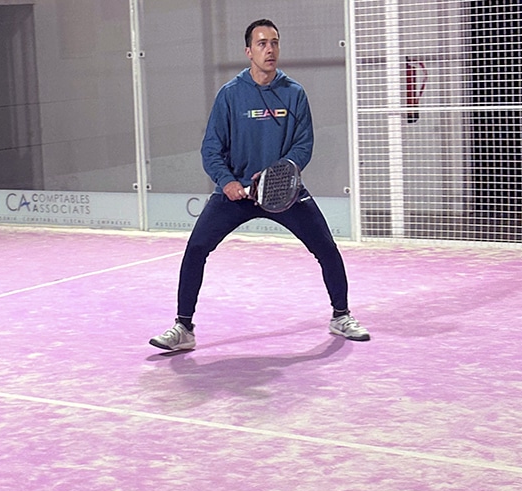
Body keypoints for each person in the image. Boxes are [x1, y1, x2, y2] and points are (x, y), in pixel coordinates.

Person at [150, 18, 370, 351]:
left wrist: (278, 176)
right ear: (248, 51)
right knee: (196, 249)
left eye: (275, 42)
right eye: (262, 43)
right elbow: (211, 148)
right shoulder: (230, 95)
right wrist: (227, 182)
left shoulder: (294, 93)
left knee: (326, 247)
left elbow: (303, 146)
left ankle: (341, 316)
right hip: (236, 195)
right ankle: (183, 328)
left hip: (284, 193)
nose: (270, 49)